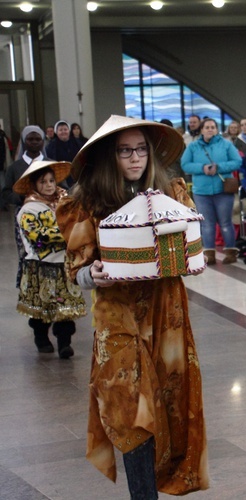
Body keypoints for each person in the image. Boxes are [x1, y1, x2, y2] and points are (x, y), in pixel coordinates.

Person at [56, 115, 209, 497]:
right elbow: (75, 269)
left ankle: (157, 486)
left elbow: (193, 251)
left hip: (165, 314)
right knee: (129, 408)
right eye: (125, 151)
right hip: (118, 316)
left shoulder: (172, 194)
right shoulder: (88, 203)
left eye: (141, 149)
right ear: (112, 157)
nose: (135, 158)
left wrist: (185, 257)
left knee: (169, 404)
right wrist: (94, 272)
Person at [13, 160, 85, 357]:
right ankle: (41, 337)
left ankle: (64, 343)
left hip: (63, 264)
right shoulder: (28, 210)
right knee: (41, 307)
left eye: (51, 180)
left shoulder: (65, 203)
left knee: (65, 307)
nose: (49, 185)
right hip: (39, 266)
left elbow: (78, 223)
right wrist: (67, 232)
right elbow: (37, 238)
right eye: (43, 182)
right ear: (34, 185)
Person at [181, 117, 242, 264]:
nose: (210, 129)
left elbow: (237, 161)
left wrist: (219, 167)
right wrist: (202, 168)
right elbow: (185, 164)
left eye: (212, 127)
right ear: (201, 130)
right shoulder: (193, 146)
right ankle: (209, 254)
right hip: (202, 191)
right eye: (207, 127)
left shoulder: (226, 145)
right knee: (207, 224)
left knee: (225, 222)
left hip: (223, 190)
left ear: (216, 130)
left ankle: (231, 252)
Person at [4, 126, 47, 287]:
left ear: (43, 142)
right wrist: (21, 197)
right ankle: (29, 284)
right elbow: (6, 192)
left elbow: (63, 187)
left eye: (38, 139)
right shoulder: (15, 168)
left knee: (49, 249)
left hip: (49, 214)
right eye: (31, 139)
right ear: (24, 141)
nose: (34, 142)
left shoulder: (51, 164)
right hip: (25, 215)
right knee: (28, 250)